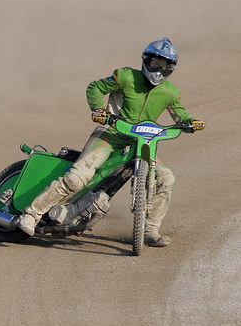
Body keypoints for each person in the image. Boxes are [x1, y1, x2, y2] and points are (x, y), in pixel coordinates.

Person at [15, 37, 206, 247]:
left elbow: (180, 114)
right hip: (110, 134)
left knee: (166, 179)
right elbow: (95, 87)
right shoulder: (125, 76)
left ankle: (150, 230)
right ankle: (31, 214)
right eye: (155, 62)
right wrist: (98, 109)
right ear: (146, 60)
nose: (159, 68)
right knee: (78, 177)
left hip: (142, 144)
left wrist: (191, 122)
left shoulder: (170, 91)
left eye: (165, 64)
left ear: (171, 68)